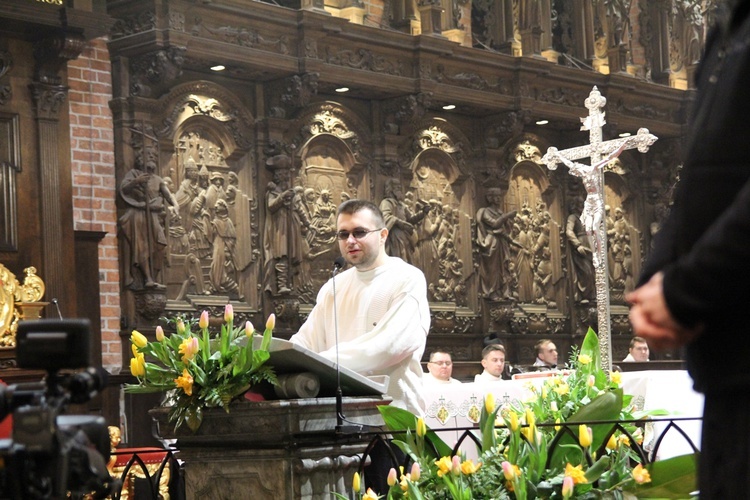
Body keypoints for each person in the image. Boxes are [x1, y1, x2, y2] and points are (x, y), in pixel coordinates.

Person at [627, 3, 750, 497]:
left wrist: (684, 291)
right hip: (727, 365)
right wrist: (656, 278)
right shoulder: (730, 29)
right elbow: (702, 178)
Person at [290, 199, 430, 494]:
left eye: (359, 232)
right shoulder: (333, 287)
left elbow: (390, 347)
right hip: (337, 427)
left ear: (382, 235)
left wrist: (321, 364)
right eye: (343, 234)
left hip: (390, 426)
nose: (350, 241)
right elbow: (304, 343)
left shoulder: (406, 279)